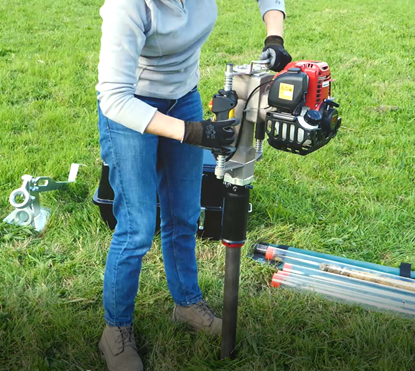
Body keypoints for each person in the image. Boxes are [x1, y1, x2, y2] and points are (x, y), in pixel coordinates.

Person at [96, 1, 291, 370]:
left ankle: (186, 304)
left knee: (184, 214)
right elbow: (114, 98)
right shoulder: (129, 7)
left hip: (183, 96)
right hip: (130, 104)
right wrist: (192, 132)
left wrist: (274, 35)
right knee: (136, 227)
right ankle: (115, 332)